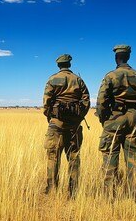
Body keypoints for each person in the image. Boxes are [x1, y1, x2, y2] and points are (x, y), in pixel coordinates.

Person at [96, 44, 136, 198]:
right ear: (128, 57)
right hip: (134, 118)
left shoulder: (110, 76)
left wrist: (104, 119)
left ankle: (109, 195)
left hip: (114, 118)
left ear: (116, 57)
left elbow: (101, 102)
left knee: (109, 155)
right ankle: (134, 194)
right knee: (133, 157)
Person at [43, 54, 90, 197]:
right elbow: (86, 102)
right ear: (69, 64)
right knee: (74, 157)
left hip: (56, 124)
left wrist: (51, 118)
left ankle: (51, 189)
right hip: (74, 125)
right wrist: (79, 117)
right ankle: (73, 191)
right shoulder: (78, 79)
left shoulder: (52, 79)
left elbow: (46, 103)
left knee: (53, 156)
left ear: (59, 65)